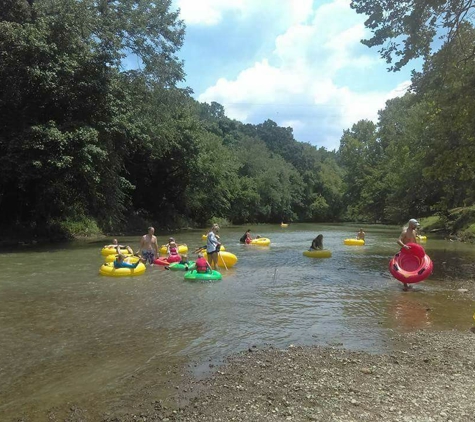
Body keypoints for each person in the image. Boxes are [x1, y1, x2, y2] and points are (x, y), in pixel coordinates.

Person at [397, 219, 420, 291]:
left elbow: (415, 242)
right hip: (405, 252)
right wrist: (404, 246)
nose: (416, 226)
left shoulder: (414, 231)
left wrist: (419, 250)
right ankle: (405, 285)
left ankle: (409, 282)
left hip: (412, 252)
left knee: (412, 266)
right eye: (415, 225)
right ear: (411, 225)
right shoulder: (405, 232)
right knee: (405, 267)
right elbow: (398, 241)